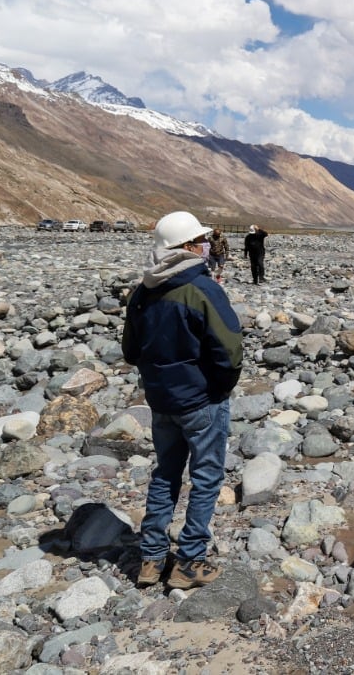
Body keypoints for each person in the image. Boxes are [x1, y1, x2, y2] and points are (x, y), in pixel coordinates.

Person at [121, 211, 243, 590]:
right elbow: (230, 350)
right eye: (200, 240)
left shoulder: (143, 291)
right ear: (188, 247)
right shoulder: (202, 289)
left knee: (165, 474)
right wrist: (219, 388)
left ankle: (151, 559)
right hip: (202, 401)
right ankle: (189, 561)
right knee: (206, 478)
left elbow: (130, 350)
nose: (206, 245)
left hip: (161, 402)